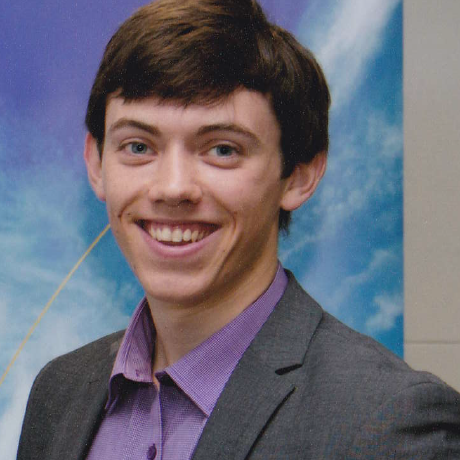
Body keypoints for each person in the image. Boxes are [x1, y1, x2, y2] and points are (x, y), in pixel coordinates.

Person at [17, 0, 460, 458]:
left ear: (299, 175)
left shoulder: (390, 423)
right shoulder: (59, 393)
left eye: (222, 150)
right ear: (95, 164)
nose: (172, 188)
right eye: (138, 146)